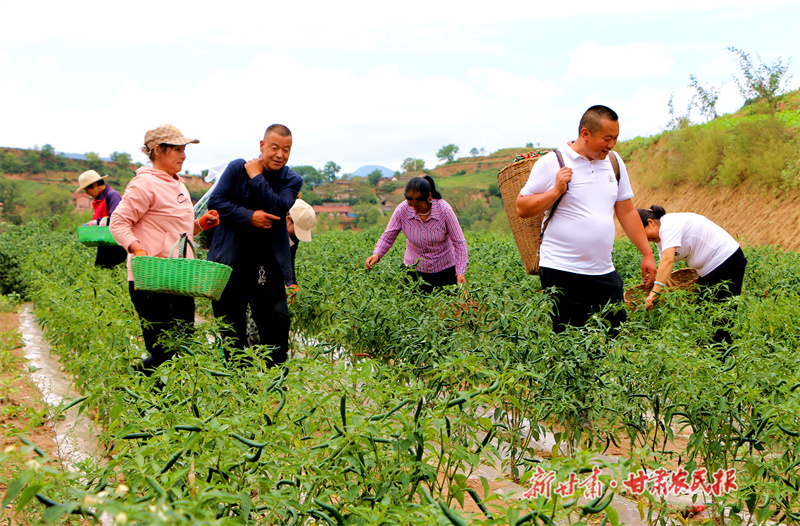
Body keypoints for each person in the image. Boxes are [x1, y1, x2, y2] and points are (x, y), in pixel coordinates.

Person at [517, 105, 656, 333]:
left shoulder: (614, 162)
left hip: (602, 270)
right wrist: (555, 191)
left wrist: (647, 254)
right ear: (585, 134)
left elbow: (627, 211)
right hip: (562, 270)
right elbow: (522, 207)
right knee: (570, 342)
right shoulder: (554, 162)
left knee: (614, 333)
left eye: (616, 138)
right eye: (607, 138)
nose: (612, 145)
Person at [110, 124, 220, 375]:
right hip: (152, 279)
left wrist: (200, 224)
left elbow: (178, 231)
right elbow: (118, 222)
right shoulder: (144, 184)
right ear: (158, 150)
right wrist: (137, 249)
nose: (183, 155)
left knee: (183, 346)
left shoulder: (177, 184)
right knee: (164, 350)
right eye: (178, 149)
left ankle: (157, 398)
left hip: (179, 278)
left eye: (184, 150)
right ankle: (141, 391)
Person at [207, 124, 302, 367]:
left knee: (277, 324)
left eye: (286, 149)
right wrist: (249, 216)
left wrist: (257, 176)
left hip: (266, 264)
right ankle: (238, 385)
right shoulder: (237, 168)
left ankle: (275, 384)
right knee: (231, 330)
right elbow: (216, 201)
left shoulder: (292, 179)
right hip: (230, 262)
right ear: (262, 146)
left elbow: (278, 207)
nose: (280, 154)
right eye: (274, 148)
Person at [638, 205, 747, 343]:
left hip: (727, 262)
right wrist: (654, 279)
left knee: (720, 318)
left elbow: (668, 261)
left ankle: (724, 360)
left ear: (651, 222)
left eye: (644, 234)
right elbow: (664, 266)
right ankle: (712, 357)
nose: (646, 240)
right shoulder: (660, 238)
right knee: (704, 316)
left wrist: (655, 292)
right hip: (709, 271)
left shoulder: (668, 225)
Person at [366, 175, 468, 293]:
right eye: (410, 204)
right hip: (413, 272)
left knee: (445, 308)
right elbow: (388, 236)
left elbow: (459, 242)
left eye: (418, 205)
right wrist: (377, 254)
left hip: (444, 271)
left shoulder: (444, 210)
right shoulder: (402, 210)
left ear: (429, 197)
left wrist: (460, 272)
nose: (414, 209)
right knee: (413, 307)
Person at [246, 198, 316, 346]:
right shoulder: (265, 223)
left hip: (269, 277)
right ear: (288, 219)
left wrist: (291, 283)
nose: (296, 236)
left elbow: (290, 259)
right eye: (296, 230)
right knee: (250, 319)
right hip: (250, 271)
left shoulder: (292, 236)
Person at [76, 169, 128, 268]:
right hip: (105, 244)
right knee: (99, 272)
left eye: (88, 190)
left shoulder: (112, 195)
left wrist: (96, 222)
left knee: (113, 274)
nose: (87, 194)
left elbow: (117, 219)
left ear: (95, 184)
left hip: (116, 245)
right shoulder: (99, 199)